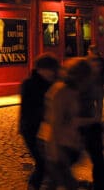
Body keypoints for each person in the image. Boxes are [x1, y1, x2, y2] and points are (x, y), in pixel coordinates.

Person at [38, 57, 91, 189]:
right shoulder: (61, 92)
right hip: (54, 145)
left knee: (54, 183)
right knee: (66, 184)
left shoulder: (73, 91)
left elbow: (70, 119)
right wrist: (54, 152)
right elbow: (54, 122)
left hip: (64, 145)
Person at [19, 53, 60, 190]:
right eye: (51, 70)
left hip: (45, 129)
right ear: (42, 69)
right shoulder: (30, 84)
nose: (53, 73)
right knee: (42, 162)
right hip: (31, 129)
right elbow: (30, 109)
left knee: (47, 162)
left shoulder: (51, 84)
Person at [82, 45, 104, 189]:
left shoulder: (97, 83)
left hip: (91, 123)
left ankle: (99, 184)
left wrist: (97, 118)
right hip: (80, 124)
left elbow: (99, 101)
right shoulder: (83, 81)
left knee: (97, 157)